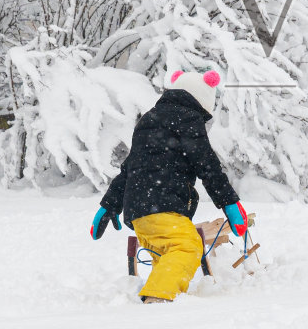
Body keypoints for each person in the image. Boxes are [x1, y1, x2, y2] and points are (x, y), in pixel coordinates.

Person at [90, 67, 251, 303]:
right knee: (187, 245)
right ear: (202, 100)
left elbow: (129, 167)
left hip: (140, 215)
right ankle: (157, 298)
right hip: (162, 208)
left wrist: (109, 205)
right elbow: (207, 165)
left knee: (167, 257)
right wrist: (229, 203)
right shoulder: (187, 120)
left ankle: (165, 310)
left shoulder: (149, 119)